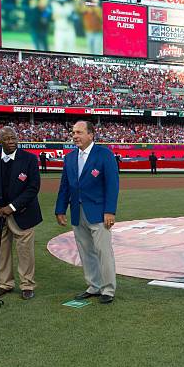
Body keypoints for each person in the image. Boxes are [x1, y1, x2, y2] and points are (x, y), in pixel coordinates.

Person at [55, 121, 119, 304]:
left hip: (99, 212)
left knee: (103, 251)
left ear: (91, 135)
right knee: (85, 251)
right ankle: (94, 285)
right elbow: (64, 186)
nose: (75, 135)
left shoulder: (104, 155)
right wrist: (60, 209)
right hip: (77, 211)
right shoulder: (69, 158)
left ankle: (108, 289)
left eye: (79, 132)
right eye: (74, 132)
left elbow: (112, 185)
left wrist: (110, 211)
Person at [0, 127, 42, 300]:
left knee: (25, 251)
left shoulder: (29, 159)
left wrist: (11, 207)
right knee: (2, 251)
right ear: (0, 141)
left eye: (14, 138)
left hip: (23, 213)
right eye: (7, 139)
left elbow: (33, 187)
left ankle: (27, 284)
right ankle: (5, 283)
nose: (12, 142)